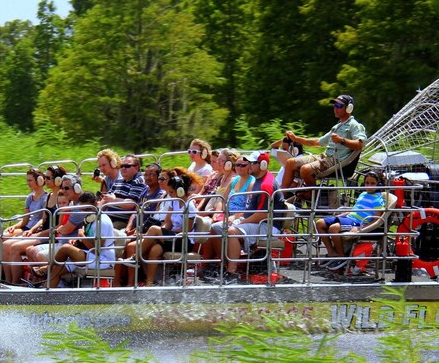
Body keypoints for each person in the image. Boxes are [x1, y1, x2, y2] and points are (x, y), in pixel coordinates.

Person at [203, 151, 286, 282]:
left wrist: (240, 222)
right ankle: (222, 267)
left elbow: (263, 214)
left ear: (263, 165)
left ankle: (231, 273)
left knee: (232, 231)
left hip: (267, 225)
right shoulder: (258, 181)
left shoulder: (266, 185)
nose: (249, 166)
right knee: (216, 228)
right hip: (254, 221)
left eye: (252, 163)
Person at [116, 170, 198, 287]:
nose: (169, 194)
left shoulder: (189, 206)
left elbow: (185, 230)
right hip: (172, 238)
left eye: (171, 192)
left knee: (154, 229)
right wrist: (160, 232)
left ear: (180, 191)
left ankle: (135, 258)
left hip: (183, 240)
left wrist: (159, 233)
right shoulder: (173, 202)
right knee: (155, 250)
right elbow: (167, 224)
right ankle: (150, 283)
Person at [279, 94, 367, 192]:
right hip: (325, 157)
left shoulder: (354, 125)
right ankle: (281, 197)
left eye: (339, 106)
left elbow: (360, 144)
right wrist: (295, 138)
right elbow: (317, 142)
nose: (335, 108)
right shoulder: (336, 127)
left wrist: (342, 140)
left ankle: (313, 197)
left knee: (305, 170)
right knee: (290, 162)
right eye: (335, 105)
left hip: (336, 161)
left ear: (349, 108)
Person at [41, 192, 117, 289]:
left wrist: (82, 236)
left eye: (87, 209)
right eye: (82, 209)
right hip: (90, 254)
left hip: (102, 259)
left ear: (95, 204)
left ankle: (47, 268)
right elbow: (87, 238)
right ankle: (45, 294)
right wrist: (76, 240)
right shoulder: (90, 218)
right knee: (57, 270)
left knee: (65, 248)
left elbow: (97, 248)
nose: (84, 212)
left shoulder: (102, 221)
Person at [0, 168, 50, 276]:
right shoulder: (29, 197)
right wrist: (14, 226)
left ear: (40, 181)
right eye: (27, 180)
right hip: (27, 227)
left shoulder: (45, 198)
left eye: (30, 180)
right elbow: (25, 220)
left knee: (7, 244)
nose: (28, 183)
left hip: (35, 229)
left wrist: (32, 230)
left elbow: (43, 219)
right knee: (2, 236)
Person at [314, 170, 386, 261]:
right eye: (367, 183)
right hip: (349, 218)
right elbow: (354, 210)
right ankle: (331, 251)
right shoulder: (363, 194)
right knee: (319, 223)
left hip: (357, 222)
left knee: (333, 228)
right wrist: (340, 216)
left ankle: (341, 255)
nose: (369, 186)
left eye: (372, 183)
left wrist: (361, 228)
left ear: (378, 185)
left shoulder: (377, 200)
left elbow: (377, 220)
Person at [99, 154, 148, 229]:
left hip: (122, 221)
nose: (124, 168)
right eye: (122, 166)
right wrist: (96, 212)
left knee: (102, 230)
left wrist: (113, 200)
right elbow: (106, 198)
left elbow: (131, 204)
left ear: (137, 167)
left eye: (127, 166)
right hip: (108, 217)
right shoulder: (119, 180)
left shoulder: (138, 181)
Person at [124, 163, 166, 235]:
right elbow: (136, 211)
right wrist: (128, 227)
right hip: (134, 230)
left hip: (145, 232)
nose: (148, 177)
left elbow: (153, 219)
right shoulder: (145, 189)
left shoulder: (160, 194)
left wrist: (135, 231)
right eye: (146, 175)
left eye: (152, 175)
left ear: (158, 176)